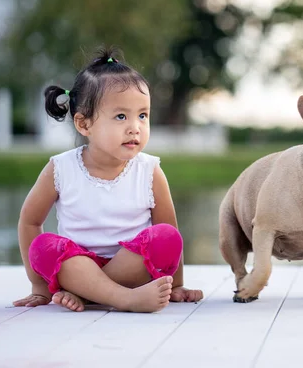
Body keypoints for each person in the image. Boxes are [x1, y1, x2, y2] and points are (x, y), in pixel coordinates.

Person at [12, 47, 203, 313]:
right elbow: (30, 221)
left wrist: (177, 285)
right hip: (77, 266)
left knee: (166, 237)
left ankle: (88, 293)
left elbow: (168, 229)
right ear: (84, 124)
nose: (135, 126)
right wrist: (39, 288)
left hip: (131, 267)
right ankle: (124, 298)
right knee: (43, 247)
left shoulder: (149, 170)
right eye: (121, 116)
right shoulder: (61, 168)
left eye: (143, 115)